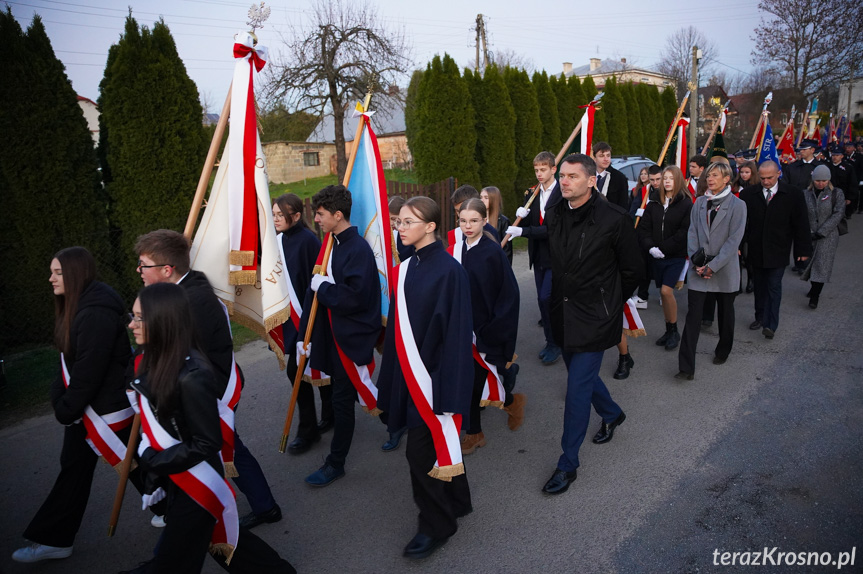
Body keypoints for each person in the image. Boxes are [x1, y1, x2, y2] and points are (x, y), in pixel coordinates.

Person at [135, 230, 281, 530]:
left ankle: (215, 511)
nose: (139, 272)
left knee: (223, 446)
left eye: (144, 265)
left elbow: (181, 353)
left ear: (166, 269)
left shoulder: (191, 299)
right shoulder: (185, 291)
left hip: (209, 387)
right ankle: (261, 506)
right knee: (225, 447)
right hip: (203, 384)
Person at [13, 247, 142, 564]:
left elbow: (88, 371)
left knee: (134, 465)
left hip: (102, 410)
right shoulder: (81, 305)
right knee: (85, 469)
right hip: (90, 407)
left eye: (57, 273)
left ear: (74, 274)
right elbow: (70, 362)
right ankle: (56, 539)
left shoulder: (93, 312)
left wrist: (66, 408)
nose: (50, 278)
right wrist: (62, 398)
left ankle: (183, 511)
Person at [377, 196, 474, 559]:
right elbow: (399, 333)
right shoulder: (407, 266)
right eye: (398, 222)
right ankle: (458, 501)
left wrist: (448, 394)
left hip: (435, 381)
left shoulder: (450, 272)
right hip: (408, 374)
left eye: (407, 222)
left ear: (431, 226)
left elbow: (456, 336)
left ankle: (437, 525)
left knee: (420, 455)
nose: (400, 228)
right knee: (433, 449)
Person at [541, 154, 643, 495]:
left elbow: (632, 271)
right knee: (580, 378)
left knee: (576, 390)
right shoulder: (554, 214)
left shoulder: (615, 219)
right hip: (562, 313)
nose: (564, 181)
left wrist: (609, 304)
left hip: (596, 318)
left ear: (591, 181)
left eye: (572, 176)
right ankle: (612, 413)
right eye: (563, 175)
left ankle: (567, 464)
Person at [126, 283, 232, 572]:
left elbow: (207, 442)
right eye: (132, 315)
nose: (131, 324)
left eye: (139, 318)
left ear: (163, 320)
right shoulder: (156, 357)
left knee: (176, 555)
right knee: (219, 539)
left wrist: (154, 461)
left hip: (198, 476)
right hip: (179, 473)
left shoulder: (192, 374)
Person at [298, 184, 381, 486]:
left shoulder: (356, 249)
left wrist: (325, 288)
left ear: (337, 214)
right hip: (334, 336)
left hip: (350, 337)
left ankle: (336, 463)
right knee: (353, 392)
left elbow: (356, 298)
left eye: (320, 215)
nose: (316, 220)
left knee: (344, 399)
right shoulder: (332, 243)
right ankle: (396, 420)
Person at [452, 198, 525, 455]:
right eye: (463, 221)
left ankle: (479, 429)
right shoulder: (458, 248)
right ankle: (485, 423)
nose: (468, 226)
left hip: (484, 329)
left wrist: (492, 330)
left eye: (474, 221)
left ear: (485, 220)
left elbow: (509, 294)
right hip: (462, 328)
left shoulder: (491, 252)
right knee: (470, 382)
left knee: (474, 383)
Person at [273, 194, 334, 455]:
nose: (275, 219)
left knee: (313, 369)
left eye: (280, 215)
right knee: (297, 371)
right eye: (273, 214)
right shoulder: (277, 240)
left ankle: (320, 421)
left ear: (296, 216)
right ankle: (311, 426)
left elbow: (315, 283)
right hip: (291, 318)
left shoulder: (308, 241)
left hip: (311, 317)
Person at [676, 162, 748, 379]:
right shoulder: (698, 202)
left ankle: (723, 349)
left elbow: (734, 241)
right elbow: (692, 233)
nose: (710, 179)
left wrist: (712, 266)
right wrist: (698, 264)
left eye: (715, 175)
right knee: (692, 318)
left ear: (727, 179)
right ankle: (686, 368)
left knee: (726, 314)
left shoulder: (738, 205)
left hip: (724, 270)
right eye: (708, 175)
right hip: (699, 270)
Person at [740, 161, 812, 339]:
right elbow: (741, 225)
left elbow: (801, 223)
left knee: (773, 286)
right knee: (760, 286)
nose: (765, 181)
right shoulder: (748, 194)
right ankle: (760, 317)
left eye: (769, 178)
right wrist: (739, 247)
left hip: (779, 249)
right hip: (756, 249)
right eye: (762, 178)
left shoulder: (792, 194)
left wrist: (802, 251)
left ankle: (770, 324)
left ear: (779, 173)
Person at [505, 151, 563, 365]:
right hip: (538, 255)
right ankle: (551, 340)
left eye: (543, 169)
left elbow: (553, 229)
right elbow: (533, 220)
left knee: (547, 298)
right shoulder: (532, 194)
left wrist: (524, 231)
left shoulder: (562, 194)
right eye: (536, 170)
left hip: (556, 256)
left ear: (553, 169)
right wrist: (523, 215)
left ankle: (557, 342)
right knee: (542, 300)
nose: (539, 174)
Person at [637, 165, 692, 351]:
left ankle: (674, 330)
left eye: (671, 178)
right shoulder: (653, 202)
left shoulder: (686, 203)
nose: (667, 181)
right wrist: (650, 247)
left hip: (675, 256)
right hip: (656, 256)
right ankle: (669, 330)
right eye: (664, 178)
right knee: (662, 292)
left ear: (678, 180)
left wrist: (662, 248)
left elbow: (684, 232)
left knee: (667, 292)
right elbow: (643, 229)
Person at [802, 164, 846, 309]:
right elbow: (801, 214)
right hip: (809, 234)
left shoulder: (836, 193)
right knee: (810, 264)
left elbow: (838, 213)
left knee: (822, 265)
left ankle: (815, 296)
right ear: (813, 180)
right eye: (818, 180)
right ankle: (813, 287)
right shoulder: (805, 194)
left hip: (828, 235)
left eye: (824, 181)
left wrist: (822, 231)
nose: (821, 183)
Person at [630, 164, 663, 309]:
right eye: (652, 180)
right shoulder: (644, 191)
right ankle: (643, 296)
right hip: (644, 235)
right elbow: (633, 211)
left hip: (662, 234)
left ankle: (664, 293)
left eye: (658, 179)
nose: (655, 183)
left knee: (661, 266)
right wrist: (639, 213)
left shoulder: (669, 192)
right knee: (643, 266)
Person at [593, 141, 631, 210]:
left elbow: (623, 206)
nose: (606, 159)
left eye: (608, 155)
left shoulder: (619, 178)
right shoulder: (587, 175)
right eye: (601, 156)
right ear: (594, 158)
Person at [480, 186, 513, 264]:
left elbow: (507, 251)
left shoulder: (503, 221)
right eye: (481, 197)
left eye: (486, 197)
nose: (482, 200)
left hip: (495, 263)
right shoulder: (477, 219)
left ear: (493, 200)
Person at [827, 145, 859, 219]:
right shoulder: (827, 166)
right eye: (833, 155)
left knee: (839, 216)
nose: (834, 157)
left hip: (843, 194)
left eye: (837, 155)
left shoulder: (848, 167)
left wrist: (849, 198)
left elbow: (852, 183)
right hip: (829, 194)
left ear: (841, 156)